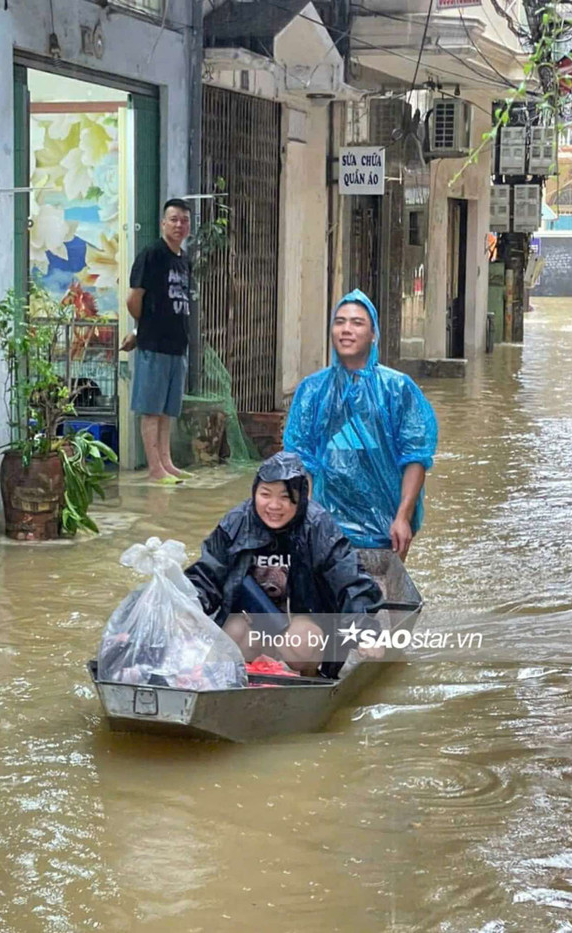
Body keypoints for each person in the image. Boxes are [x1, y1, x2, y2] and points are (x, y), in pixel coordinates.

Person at [185, 452, 384, 676]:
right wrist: (184, 607)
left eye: (285, 497)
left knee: (303, 643)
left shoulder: (317, 525)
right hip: (250, 618)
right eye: (265, 494)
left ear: (301, 499)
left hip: (302, 618)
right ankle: (251, 677)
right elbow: (208, 573)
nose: (274, 506)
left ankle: (310, 680)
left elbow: (349, 579)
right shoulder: (237, 521)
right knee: (231, 635)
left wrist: (364, 631)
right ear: (254, 493)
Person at [284, 289, 438, 560]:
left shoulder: (397, 389)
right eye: (339, 321)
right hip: (325, 527)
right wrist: (306, 519)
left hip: (385, 527)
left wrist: (403, 516)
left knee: (380, 595)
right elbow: (300, 459)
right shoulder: (312, 391)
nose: (346, 329)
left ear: (373, 334)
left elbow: (415, 457)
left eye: (357, 323)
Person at [125, 199, 194, 485]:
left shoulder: (184, 259)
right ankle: (154, 468)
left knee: (168, 410)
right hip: (153, 344)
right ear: (163, 223)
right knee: (151, 409)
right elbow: (133, 298)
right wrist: (144, 330)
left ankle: (167, 462)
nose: (179, 225)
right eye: (174, 219)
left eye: (184, 220)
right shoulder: (152, 255)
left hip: (177, 345)